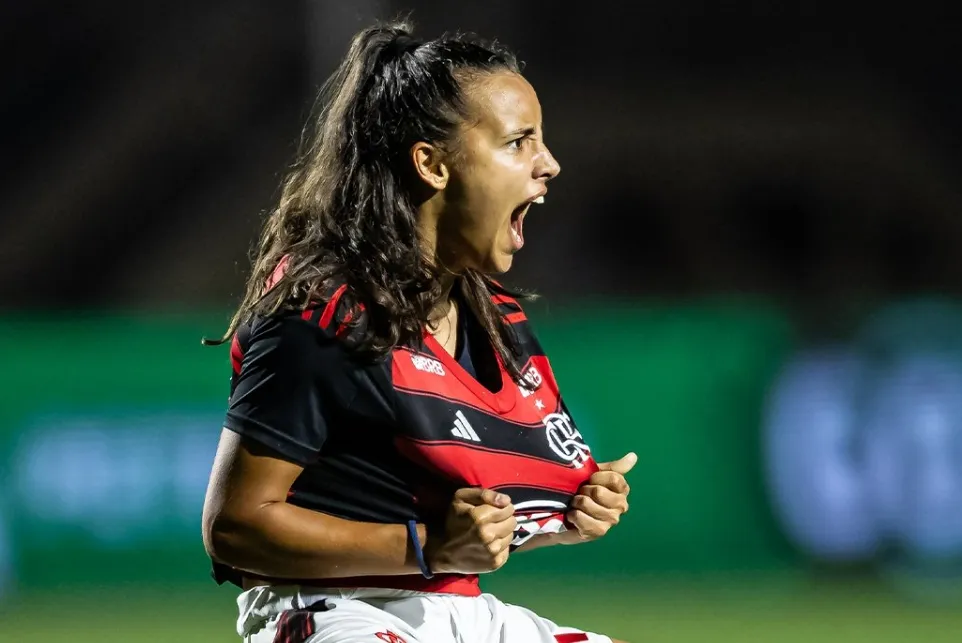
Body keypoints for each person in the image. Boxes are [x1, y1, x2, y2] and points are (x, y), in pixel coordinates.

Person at [201, 19, 636, 643]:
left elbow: (462, 530)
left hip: (460, 614)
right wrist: (430, 546)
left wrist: (565, 516)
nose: (549, 164)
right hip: (331, 614)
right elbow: (236, 528)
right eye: (519, 142)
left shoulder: (491, 313)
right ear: (432, 164)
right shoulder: (325, 313)